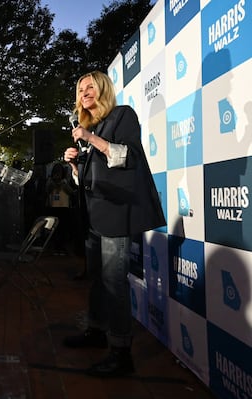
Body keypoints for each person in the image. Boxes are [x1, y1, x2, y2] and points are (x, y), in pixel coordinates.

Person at [62, 71, 166, 377]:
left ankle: (121, 354)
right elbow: (88, 181)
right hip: (95, 216)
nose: (85, 92)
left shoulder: (122, 116)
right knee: (97, 277)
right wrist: (73, 165)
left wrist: (91, 139)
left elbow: (128, 156)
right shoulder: (92, 127)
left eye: (90, 86)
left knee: (114, 282)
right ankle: (96, 331)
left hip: (117, 215)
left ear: (103, 89)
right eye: (80, 88)